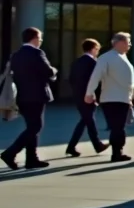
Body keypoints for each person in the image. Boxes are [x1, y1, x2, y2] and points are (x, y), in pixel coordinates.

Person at [1, 27, 58, 170]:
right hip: (37, 95)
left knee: (32, 127)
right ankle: (10, 153)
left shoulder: (16, 55)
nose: (41, 41)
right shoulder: (37, 53)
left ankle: (32, 159)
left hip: (22, 96)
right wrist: (54, 70)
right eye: (40, 38)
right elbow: (47, 71)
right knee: (35, 127)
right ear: (34, 38)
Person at [84, 32, 134, 162]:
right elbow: (96, 76)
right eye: (127, 42)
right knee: (117, 127)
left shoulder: (123, 57)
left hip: (123, 98)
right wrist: (89, 93)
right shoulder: (106, 58)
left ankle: (118, 151)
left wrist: (132, 95)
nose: (130, 45)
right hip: (112, 98)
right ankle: (117, 152)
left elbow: (129, 80)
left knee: (119, 126)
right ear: (118, 42)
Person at [66, 39, 109, 157]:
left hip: (78, 96)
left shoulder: (76, 62)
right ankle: (97, 145)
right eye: (97, 49)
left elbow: (71, 79)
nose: (98, 52)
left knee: (85, 120)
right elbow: (96, 81)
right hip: (89, 96)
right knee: (89, 120)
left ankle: (71, 146)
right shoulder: (93, 63)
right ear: (93, 48)